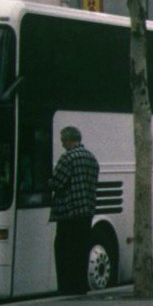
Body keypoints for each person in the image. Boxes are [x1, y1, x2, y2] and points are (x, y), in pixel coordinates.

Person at [49, 125, 100, 295]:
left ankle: (67, 287)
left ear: (69, 140)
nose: (62, 144)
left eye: (63, 141)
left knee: (64, 251)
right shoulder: (91, 158)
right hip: (87, 212)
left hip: (68, 213)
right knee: (81, 250)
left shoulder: (67, 158)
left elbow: (56, 182)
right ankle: (80, 286)